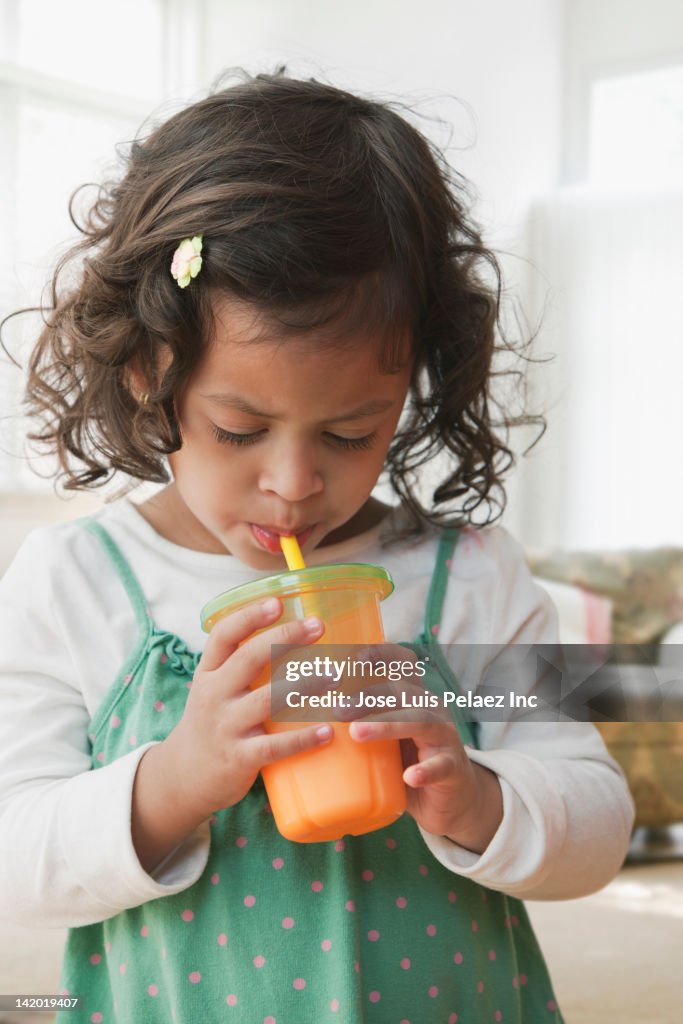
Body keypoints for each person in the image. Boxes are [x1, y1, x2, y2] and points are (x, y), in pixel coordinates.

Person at [0, 71, 634, 1023]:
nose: (295, 485)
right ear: (146, 372)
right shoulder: (74, 584)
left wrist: (481, 799)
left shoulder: (473, 581)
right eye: (239, 429)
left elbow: (599, 818)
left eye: (349, 434)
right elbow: (14, 861)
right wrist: (171, 785)